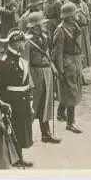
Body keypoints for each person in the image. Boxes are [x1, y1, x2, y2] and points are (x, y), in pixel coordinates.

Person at [0, 30, 36, 167]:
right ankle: (14, 159)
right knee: (13, 131)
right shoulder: (4, 63)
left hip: (22, 100)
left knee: (20, 130)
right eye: (23, 41)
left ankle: (18, 158)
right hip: (12, 102)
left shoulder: (19, 59)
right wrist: (4, 105)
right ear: (17, 43)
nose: (25, 44)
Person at [25, 12, 61, 143]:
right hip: (35, 73)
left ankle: (46, 134)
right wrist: (28, 80)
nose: (44, 27)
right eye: (41, 25)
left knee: (46, 103)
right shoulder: (27, 42)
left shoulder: (44, 37)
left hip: (46, 72)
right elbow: (25, 62)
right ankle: (25, 135)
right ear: (34, 27)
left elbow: (47, 54)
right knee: (34, 104)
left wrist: (52, 66)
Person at [52, 2, 84, 133]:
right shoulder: (60, 30)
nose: (77, 15)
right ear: (69, 16)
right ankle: (71, 122)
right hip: (67, 62)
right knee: (71, 91)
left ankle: (60, 112)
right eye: (75, 13)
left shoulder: (74, 26)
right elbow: (57, 52)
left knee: (73, 88)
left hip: (75, 61)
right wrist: (60, 69)